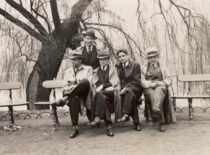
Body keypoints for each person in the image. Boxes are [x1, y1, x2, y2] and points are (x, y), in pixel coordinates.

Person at [54, 50, 93, 138]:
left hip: (84, 93)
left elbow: (89, 83)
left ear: (80, 60)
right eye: (72, 60)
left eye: (75, 59)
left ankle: (66, 98)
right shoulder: (68, 71)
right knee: (74, 99)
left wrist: (75, 84)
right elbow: (65, 85)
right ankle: (75, 127)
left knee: (85, 82)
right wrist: (71, 87)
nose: (72, 62)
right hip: (71, 93)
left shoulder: (88, 69)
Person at [141, 47, 176, 132]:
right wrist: (150, 84)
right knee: (153, 94)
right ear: (147, 59)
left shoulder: (163, 67)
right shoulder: (143, 68)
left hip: (161, 86)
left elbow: (169, 79)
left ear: (157, 57)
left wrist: (162, 83)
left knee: (158, 91)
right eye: (150, 58)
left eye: (154, 57)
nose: (152, 59)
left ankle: (158, 115)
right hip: (149, 88)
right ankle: (159, 119)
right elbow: (141, 81)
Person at [89, 50, 121, 137]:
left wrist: (103, 86)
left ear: (108, 60)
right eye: (100, 60)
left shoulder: (113, 69)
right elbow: (94, 83)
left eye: (104, 59)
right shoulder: (95, 71)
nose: (102, 61)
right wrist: (102, 87)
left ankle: (97, 117)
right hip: (102, 95)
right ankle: (109, 126)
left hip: (111, 93)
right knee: (102, 97)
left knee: (100, 94)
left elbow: (114, 81)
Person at [115, 49, 143, 131]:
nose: (122, 58)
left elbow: (137, 81)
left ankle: (125, 114)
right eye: (119, 57)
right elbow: (118, 80)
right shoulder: (118, 66)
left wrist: (126, 88)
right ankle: (136, 123)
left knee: (129, 92)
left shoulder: (135, 65)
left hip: (136, 88)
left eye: (123, 56)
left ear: (127, 56)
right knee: (131, 98)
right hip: (125, 91)